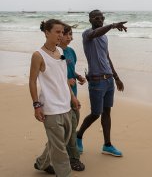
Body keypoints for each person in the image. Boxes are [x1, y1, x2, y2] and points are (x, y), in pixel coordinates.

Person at [29, 19, 80, 177]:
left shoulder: (61, 53)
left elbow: (63, 78)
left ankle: (42, 163)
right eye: (57, 32)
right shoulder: (38, 55)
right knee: (60, 151)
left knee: (59, 142)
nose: (61, 35)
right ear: (46, 33)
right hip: (50, 108)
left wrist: (73, 97)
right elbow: (32, 81)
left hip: (65, 105)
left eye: (62, 32)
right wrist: (36, 105)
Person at [76, 10, 127, 157]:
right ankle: (78, 136)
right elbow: (94, 34)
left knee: (107, 112)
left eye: (102, 18)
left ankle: (107, 145)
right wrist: (112, 25)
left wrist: (116, 77)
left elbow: (107, 57)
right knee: (95, 113)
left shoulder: (104, 38)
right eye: (97, 18)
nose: (100, 20)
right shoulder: (87, 34)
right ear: (90, 20)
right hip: (96, 81)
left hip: (109, 80)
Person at [59, 24, 86, 171]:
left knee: (71, 125)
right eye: (67, 34)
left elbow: (70, 70)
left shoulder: (71, 51)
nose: (70, 37)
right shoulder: (56, 53)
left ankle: (51, 157)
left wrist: (78, 76)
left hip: (73, 93)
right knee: (71, 125)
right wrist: (66, 81)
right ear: (60, 34)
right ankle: (73, 158)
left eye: (71, 34)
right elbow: (56, 75)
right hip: (63, 95)